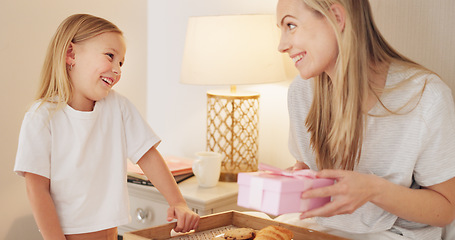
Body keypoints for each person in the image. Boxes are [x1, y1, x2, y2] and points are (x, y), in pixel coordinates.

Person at [276, 0, 455, 239]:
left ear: (337, 18)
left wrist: (374, 190)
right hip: (319, 227)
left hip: (395, 233)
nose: (282, 45)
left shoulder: (425, 95)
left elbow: (446, 210)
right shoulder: (301, 92)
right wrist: (301, 179)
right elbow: (310, 171)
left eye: (291, 25)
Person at [14, 14, 199, 240]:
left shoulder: (118, 107)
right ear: (71, 54)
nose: (117, 69)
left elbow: (148, 155)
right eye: (110, 56)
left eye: (121, 63)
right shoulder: (41, 117)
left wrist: (178, 202)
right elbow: (37, 188)